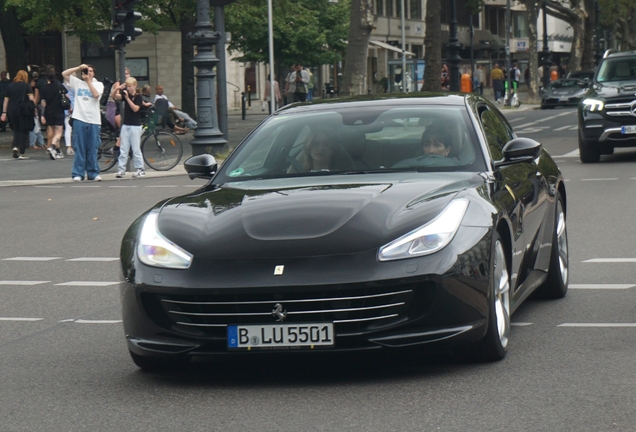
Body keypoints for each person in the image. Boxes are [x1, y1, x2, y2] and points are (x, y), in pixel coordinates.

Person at [62, 63, 104, 182]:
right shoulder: (77, 83)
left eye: (91, 71)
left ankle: (93, 172)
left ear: (94, 73)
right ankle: (78, 173)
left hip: (94, 120)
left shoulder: (98, 84)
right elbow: (64, 74)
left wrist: (88, 81)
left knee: (92, 148)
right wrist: (78, 68)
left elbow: (95, 95)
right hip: (79, 119)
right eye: (86, 71)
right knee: (79, 147)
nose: (88, 73)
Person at [1, 70, 36, 159]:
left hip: (12, 111)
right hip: (23, 111)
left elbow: (6, 100)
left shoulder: (10, 86)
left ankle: (15, 146)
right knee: (23, 130)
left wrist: (4, 112)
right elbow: (31, 98)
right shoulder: (26, 86)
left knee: (16, 129)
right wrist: (34, 109)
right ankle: (22, 152)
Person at [115, 77, 145, 179]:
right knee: (123, 148)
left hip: (135, 125)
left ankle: (140, 169)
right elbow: (114, 96)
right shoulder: (125, 95)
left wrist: (127, 98)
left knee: (136, 148)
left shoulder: (139, 97)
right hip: (126, 124)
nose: (128, 88)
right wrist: (117, 88)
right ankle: (121, 169)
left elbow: (136, 109)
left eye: (130, 86)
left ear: (135, 85)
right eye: (127, 86)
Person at [392, 124, 459, 168]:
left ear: (447, 150)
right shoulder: (409, 167)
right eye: (427, 145)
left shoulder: (456, 169)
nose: (431, 150)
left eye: (437, 146)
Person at [40, 67, 68, 160]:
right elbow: (66, 95)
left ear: (46, 78)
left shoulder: (44, 89)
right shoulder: (59, 85)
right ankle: (52, 147)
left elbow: (43, 103)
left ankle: (58, 150)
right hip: (59, 111)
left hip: (49, 112)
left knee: (51, 130)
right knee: (58, 132)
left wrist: (42, 115)